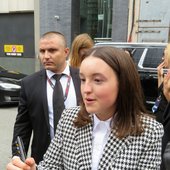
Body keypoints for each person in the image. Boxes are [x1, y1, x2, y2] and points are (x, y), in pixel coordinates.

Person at [7, 46, 163, 170]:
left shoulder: (148, 131)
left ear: (123, 84)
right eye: (82, 79)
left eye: (97, 80)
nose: (86, 89)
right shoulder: (70, 118)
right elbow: (51, 166)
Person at [11, 31, 81, 164]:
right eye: (42, 51)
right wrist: (18, 156)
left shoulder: (82, 78)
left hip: (79, 157)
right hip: (43, 158)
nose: (46, 56)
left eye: (52, 50)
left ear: (66, 52)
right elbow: (22, 125)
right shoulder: (29, 84)